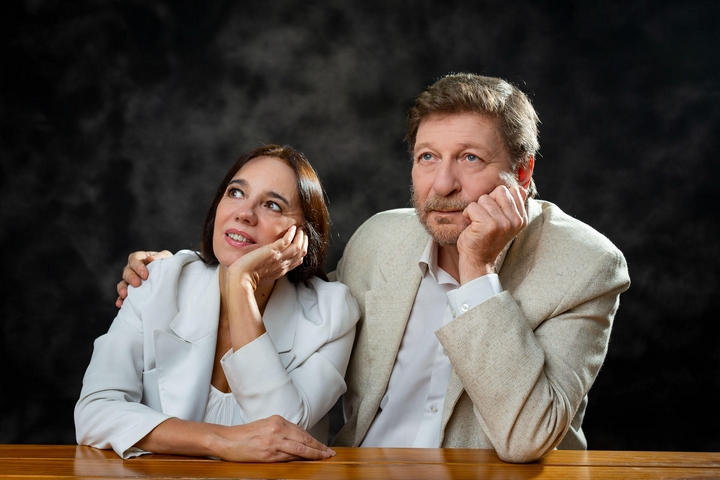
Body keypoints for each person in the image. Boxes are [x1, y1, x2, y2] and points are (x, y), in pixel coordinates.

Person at [117, 74, 630, 463]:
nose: (442, 184)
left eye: (470, 158)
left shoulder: (586, 265)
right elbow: (303, 314)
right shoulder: (380, 239)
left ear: (522, 171)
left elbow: (528, 438)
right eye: (428, 157)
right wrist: (179, 280)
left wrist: (478, 272)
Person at [76, 144, 360, 462]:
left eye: (272, 205)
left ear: (300, 238)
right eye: (236, 192)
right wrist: (219, 441)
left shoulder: (333, 314)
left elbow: (281, 432)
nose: (244, 213)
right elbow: (94, 411)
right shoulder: (158, 281)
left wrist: (241, 285)